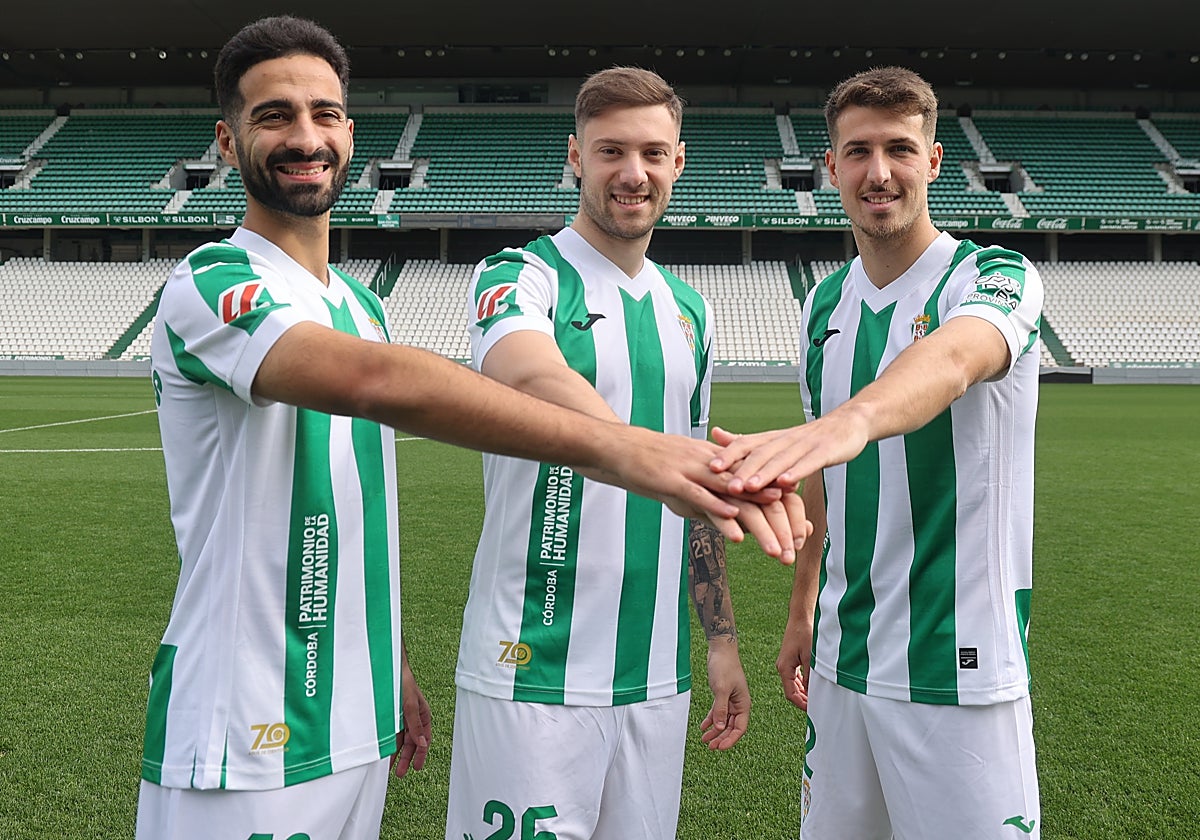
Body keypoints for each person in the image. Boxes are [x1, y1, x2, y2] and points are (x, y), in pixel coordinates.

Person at [137, 18, 806, 840]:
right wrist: (634, 449)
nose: (304, 136)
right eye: (274, 116)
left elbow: (351, 521)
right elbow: (379, 383)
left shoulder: (361, 306)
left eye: (323, 114)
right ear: (228, 138)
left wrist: (391, 671)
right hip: (244, 725)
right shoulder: (212, 280)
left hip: (358, 711)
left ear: (350, 131)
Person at [711, 66, 1044, 838]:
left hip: (957, 663)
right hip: (843, 655)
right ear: (831, 168)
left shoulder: (994, 277)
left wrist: (848, 423)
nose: (879, 171)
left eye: (900, 148)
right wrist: (801, 609)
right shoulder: (824, 306)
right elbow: (825, 489)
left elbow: (956, 361)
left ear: (932, 161)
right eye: (858, 151)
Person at [444, 66, 764, 840]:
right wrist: (645, 454)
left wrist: (719, 640)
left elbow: (695, 487)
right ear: (575, 157)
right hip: (531, 664)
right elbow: (524, 369)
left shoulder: (689, 310)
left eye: (653, 153)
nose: (633, 172)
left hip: (656, 676)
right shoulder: (521, 275)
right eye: (611, 150)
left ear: (677, 163)